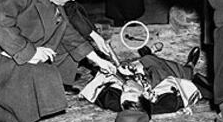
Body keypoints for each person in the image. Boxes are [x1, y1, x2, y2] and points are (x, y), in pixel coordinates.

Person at [80, 47, 211, 114]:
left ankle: (148, 54)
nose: (126, 86)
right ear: (146, 95)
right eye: (131, 90)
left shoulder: (117, 100)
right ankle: (190, 65)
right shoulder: (166, 101)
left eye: (125, 91)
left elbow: (99, 87)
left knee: (130, 66)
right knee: (170, 72)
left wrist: (105, 72)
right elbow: (187, 90)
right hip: (152, 82)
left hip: (138, 77)